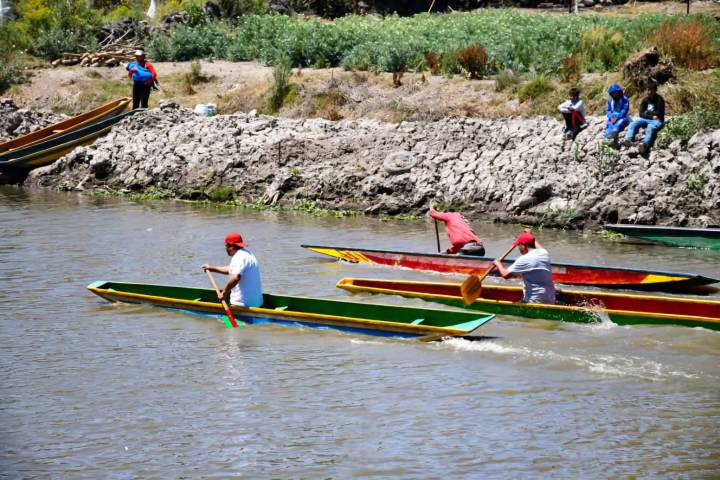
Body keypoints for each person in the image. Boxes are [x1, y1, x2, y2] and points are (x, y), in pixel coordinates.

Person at [201, 232, 263, 307]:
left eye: (226, 246)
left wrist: (224, 293)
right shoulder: (248, 254)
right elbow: (231, 269)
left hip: (242, 304)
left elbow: (236, 277)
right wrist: (212, 268)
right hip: (257, 303)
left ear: (231, 247)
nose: (225, 249)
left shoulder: (238, 257)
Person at [493, 231, 556, 304]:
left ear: (523, 245)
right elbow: (534, 242)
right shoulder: (544, 253)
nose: (519, 248)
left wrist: (498, 264)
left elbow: (505, 275)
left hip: (534, 300)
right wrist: (529, 235)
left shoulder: (524, 259)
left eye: (519, 245)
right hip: (551, 298)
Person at [621, 80, 665, 155]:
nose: (649, 91)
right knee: (633, 123)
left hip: (658, 121)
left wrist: (647, 113)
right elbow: (641, 114)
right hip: (647, 119)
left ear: (655, 90)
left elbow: (659, 113)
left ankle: (644, 145)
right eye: (648, 89)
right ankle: (628, 139)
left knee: (650, 127)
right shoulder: (645, 100)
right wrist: (651, 115)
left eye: (651, 89)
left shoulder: (660, 100)